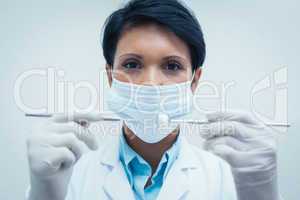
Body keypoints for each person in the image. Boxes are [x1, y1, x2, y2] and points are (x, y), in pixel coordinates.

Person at [26, 0, 279, 200]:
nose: (150, 83)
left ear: (194, 80)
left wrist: (261, 191)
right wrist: (44, 191)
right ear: (110, 76)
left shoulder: (226, 175)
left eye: (171, 66)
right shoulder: (72, 172)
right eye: (132, 64)